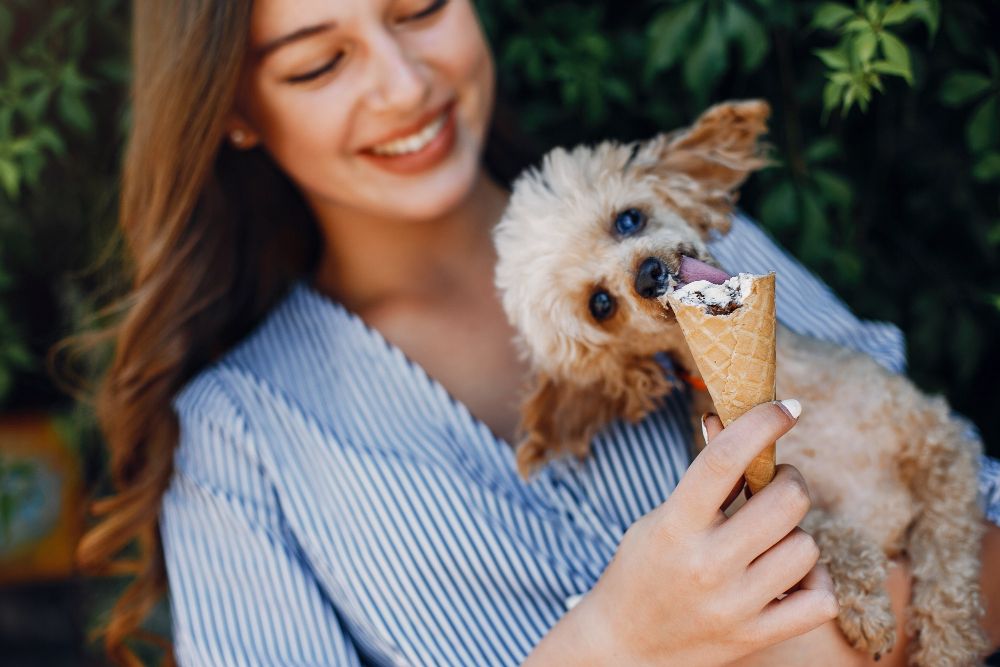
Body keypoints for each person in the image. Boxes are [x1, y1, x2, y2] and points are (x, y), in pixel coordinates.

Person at [77, 1, 1000, 665]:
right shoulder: (239, 438)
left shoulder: (686, 240)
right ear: (235, 108)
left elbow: (974, 514)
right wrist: (613, 643)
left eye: (420, 9)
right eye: (320, 63)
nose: (404, 84)